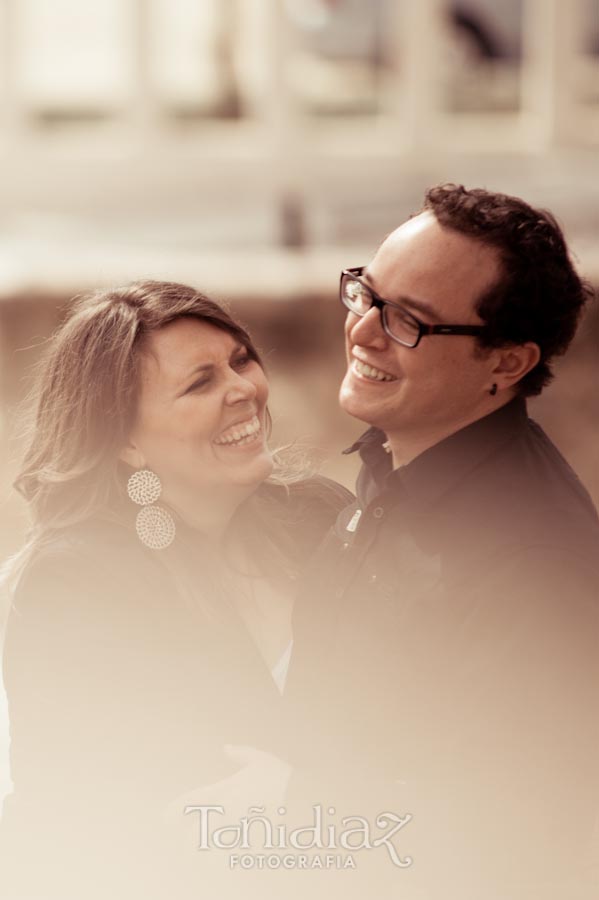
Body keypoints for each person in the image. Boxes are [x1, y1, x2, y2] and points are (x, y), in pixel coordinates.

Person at [285, 185, 599, 899]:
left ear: (506, 363)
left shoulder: (529, 564)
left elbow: (508, 847)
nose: (363, 331)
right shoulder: (395, 462)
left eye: (409, 323)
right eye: (365, 294)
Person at [0, 280, 350, 900]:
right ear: (126, 443)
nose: (244, 389)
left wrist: (312, 789)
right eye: (200, 382)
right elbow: (89, 819)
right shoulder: (79, 585)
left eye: (240, 360)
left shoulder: (320, 516)